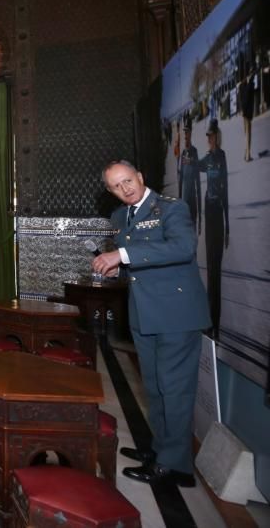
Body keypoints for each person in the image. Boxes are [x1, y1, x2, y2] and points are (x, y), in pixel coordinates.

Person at [92, 160, 210, 487]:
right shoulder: (119, 217)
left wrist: (123, 257)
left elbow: (183, 248)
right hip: (144, 314)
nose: (125, 189)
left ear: (141, 176)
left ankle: (175, 466)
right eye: (116, 186)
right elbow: (140, 262)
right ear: (111, 190)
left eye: (128, 180)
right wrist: (120, 269)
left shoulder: (171, 208)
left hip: (176, 313)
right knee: (156, 388)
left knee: (174, 389)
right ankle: (161, 450)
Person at [198, 119, 228, 334]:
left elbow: (226, 189)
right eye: (209, 137)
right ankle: (211, 321)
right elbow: (193, 167)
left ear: (218, 137)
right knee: (210, 268)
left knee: (216, 268)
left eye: (213, 136)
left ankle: (215, 322)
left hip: (218, 213)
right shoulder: (207, 159)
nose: (211, 140)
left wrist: (228, 225)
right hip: (209, 213)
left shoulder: (222, 157)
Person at [177, 122, 201, 232]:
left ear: (191, 134)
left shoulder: (194, 152)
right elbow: (180, 179)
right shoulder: (182, 154)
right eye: (184, 134)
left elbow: (198, 181)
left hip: (193, 200)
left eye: (187, 133)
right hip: (184, 201)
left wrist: (200, 214)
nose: (186, 136)